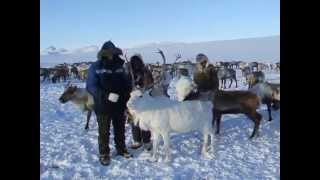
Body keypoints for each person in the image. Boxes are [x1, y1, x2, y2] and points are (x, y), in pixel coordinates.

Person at [86, 41, 132, 166]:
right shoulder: (96, 67)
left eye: (114, 52)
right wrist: (106, 95)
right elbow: (91, 86)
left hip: (119, 103)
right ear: (104, 53)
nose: (112, 55)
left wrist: (130, 94)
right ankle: (104, 153)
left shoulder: (120, 66)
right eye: (110, 53)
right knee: (104, 130)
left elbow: (127, 82)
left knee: (120, 128)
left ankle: (121, 149)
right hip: (103, 104)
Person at [128, 54, 152, 150]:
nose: (136, 64)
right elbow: (126, 84)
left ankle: (146, 141)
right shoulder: (129, 73)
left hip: (145, 97)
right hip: (133, 98)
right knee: (134, 120)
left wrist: (144, 88)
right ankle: (137, 140)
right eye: (134, 63)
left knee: (145, 120)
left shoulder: (146, 71)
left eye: (137, 62)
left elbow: (151, 83)